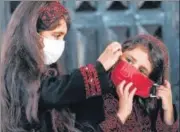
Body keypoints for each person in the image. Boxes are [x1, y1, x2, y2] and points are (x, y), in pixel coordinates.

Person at [0, 1, 122, 132]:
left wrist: (120, 114)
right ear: (32, 33)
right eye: (56, 35)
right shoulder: (16, 73)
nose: (60, 44)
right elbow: (49, 93)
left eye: (63, 37)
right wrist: (98, 69)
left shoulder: (50, 72)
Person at [71, 34, 179, 132]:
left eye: (141, 71)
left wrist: (168, 110)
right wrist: (121, 115)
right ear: (118, 57)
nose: (131, 70)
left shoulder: (148, 105)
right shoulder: (92, 93)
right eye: (129, 60)